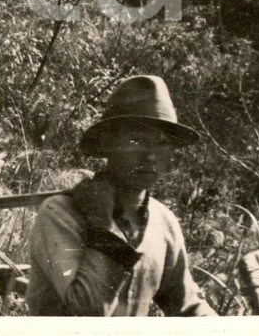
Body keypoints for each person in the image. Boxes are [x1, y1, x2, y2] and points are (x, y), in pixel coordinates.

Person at [26, 75, 216, 317]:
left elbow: (186, 306)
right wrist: (105, 228)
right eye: (136, 140)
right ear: (108, 144)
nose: (150, 156)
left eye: (160, 143)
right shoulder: (61, 214)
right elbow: (90, 311)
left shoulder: (163, 222)